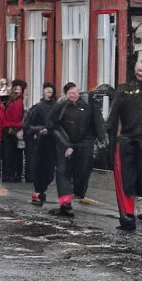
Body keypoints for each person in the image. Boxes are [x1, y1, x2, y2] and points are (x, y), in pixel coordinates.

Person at [107, 51, 142, 231]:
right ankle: (127, 215)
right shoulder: (123, 90)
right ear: (134, 65)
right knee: (126, 180)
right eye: (141, 62)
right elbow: (112, 117)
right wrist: (109, 141)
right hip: (126, 141)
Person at [46, 82, 105, 216]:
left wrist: (101, 140)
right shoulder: (61, 106)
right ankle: (65, 203)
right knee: (63, 173)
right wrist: (63, 142)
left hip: (84, 144)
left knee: (82, 172)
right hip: (65, 144)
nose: (74, 94)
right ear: (66, 94)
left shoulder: (87, 105)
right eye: (70, 92)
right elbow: (51, 123)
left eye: (75, 91)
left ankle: (77, 193)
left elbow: (97, 123)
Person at [23, 83, 57, 206]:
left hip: (53, 141)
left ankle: (42, 189)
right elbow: (27, 126)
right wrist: (39, 129)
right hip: (39, 142)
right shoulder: (37, 107)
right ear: (43, 93)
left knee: (49, 171)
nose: (49, 94)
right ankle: (38, 191)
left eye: (51, 91)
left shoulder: (56, 107)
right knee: (38, 167)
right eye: (47, 91)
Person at [2, 80, 27, 182]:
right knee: (7, 154)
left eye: (19, 89)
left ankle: (17, 175)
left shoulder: (23, 101)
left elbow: (23, 117)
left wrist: (17, 127)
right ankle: (7, 174)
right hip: (7, 130)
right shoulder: (8, 100)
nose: (16, 91)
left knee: (17, 155)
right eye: (15, 89)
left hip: (18, 131)